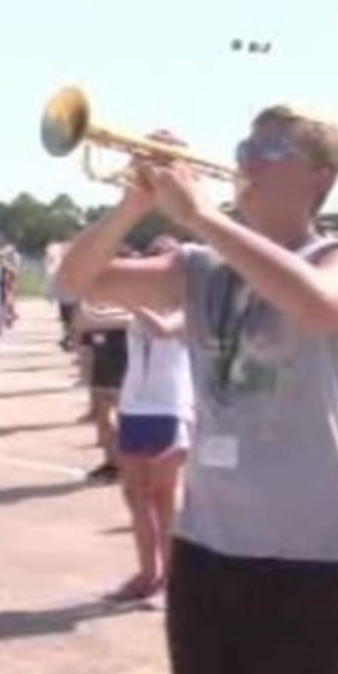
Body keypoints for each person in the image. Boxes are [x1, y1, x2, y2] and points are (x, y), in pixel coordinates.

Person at [56, 107, 338, 674]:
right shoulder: (200, 268)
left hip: (305, 551)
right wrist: (131, 207)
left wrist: (200, 215)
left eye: (270, 150)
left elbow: (323, 307)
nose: (246, 160)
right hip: (205, 543)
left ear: (319, 179)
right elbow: (77, 280)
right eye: (245, 145)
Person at [108, 238, 193, 602]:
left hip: (168, 408)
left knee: (162, 497)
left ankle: (172, 579)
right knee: (134, 495)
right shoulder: (137, 308)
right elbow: (88, 308)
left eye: (159, 260)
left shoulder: (189, 307)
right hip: (133, 408)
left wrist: (130, 299)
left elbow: (163, 329)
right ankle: (147, 573)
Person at [74, 300, 130, 483]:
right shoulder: (93, 296)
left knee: (124, 414)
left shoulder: (133, 293)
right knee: (102, 415)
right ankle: (112, 463)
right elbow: (81, 323)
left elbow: (132, 319)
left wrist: (98, 317)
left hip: (124, 356)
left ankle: (125, 463)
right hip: (100, 356)